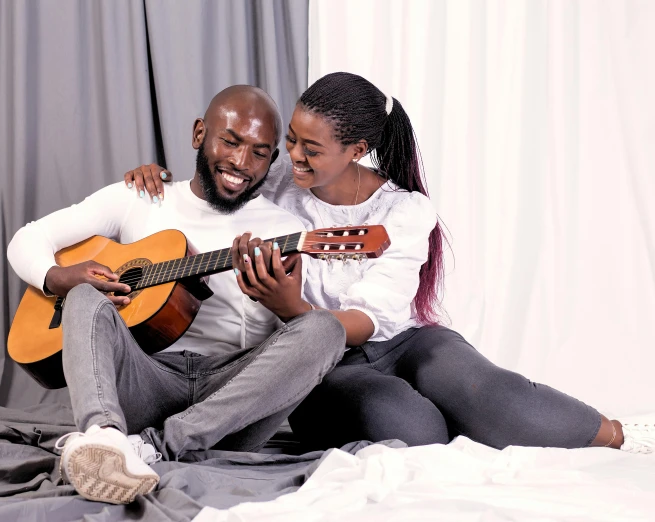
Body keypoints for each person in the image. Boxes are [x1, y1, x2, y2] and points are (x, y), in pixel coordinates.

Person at [126, 72, 655, 454]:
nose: (294, 157)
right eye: (290, 139)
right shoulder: (278, 186)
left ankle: (621, 434)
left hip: (403, 340)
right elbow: (215, 185)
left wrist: (295, 306)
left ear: (356, 149)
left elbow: (373, 317)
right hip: (316, 363)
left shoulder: (404, 210)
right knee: (416, 432)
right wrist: (153, 178)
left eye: (312, 147)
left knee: (497, 398)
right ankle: (461, 425)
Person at [7, 85, 347, 505]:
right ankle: (104, 436)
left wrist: (283, 305)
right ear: (199, 133)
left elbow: (296, 352)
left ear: (271, 160)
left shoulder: (284, 229)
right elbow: (27, 239)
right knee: (82, 295)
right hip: (143, 380)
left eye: (259, 152)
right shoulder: (140, 196)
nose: (241, 162)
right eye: (230, 140)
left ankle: (151, 448)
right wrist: (56, 276)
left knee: (325, 329)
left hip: (228, 406)